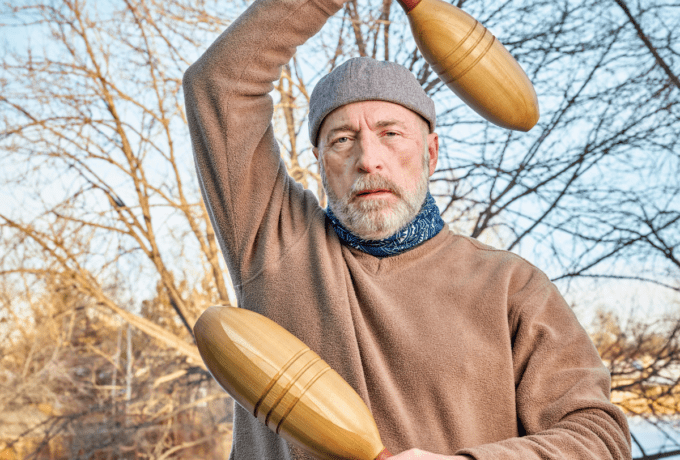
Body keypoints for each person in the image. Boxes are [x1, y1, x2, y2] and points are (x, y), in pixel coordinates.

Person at [182, 0, 632, 457]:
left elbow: (599, 437)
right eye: (341, 140)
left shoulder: (512, 287)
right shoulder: (277, 246)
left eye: (391, 133)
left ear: (431, 154)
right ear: (319, 163)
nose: (368, 158)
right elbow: (218, 84)